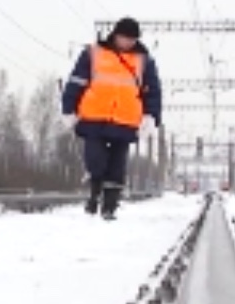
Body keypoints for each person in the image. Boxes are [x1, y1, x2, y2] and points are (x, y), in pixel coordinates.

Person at [60, 17, 162, 220]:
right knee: (95, 161)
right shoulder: (93, 54)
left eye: (132, 39)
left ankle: (110, 206)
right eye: (124, 38)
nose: (128, 42)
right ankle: (94, 196)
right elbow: (77, 81)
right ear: (115, 35)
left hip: (125, 120)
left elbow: (153, 92)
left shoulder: (144, 61)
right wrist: (68, 109)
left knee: (117, 166)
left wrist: (151, 116)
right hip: (93, 117)